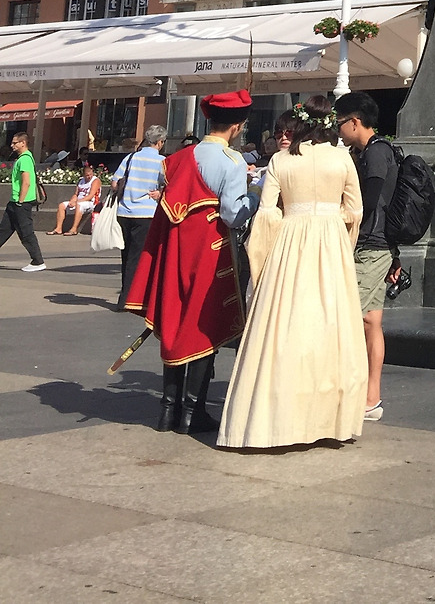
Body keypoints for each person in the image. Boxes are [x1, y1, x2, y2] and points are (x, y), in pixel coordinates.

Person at [217, 97, 365, 449]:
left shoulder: (281, 160)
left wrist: (262, 260)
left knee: (283, 324)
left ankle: (274, 420)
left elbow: (267, 214)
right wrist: (337, 232)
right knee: (331, 325)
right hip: (330, 243)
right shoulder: (342, 158)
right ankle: (328, 419)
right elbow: (355, 210)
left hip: (290, 241)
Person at [125, 90, 254, 432]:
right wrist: (253, 201)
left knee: (175, 319)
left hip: (176, 251)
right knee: (205, 325)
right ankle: (192, 414)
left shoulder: (177, 159)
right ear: (238, 126)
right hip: (211, 252)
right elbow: (232, 214)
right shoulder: (233, 162)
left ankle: (168, 411)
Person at [335, 91, 399, 422]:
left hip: (369, 245)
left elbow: (369, 201)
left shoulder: (375, 153)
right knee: (371, 320)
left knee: (352, 317)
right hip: (379, 244)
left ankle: (356, 392)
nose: (337, 130)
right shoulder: (375, 151)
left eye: (339, 123)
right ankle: (370, 398)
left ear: (355, 122)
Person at [113, 124, 167, 311]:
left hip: (124, 212)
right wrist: (158, 193)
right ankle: (131, 299)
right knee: (138, 257)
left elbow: (114, 183)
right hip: (146, 213)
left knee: (126, 255)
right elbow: (168, 184)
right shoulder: (162, 161)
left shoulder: (130, 158)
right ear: (159, 142)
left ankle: (125, 295)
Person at [0, 132, 46, 271]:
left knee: (26, 232)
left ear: (23, 143)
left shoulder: (25, 159)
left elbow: (26, 182)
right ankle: (37, 261)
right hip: (14, 202)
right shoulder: (23, 158)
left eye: (15, 143)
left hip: (22, 202)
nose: (12, 145)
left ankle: (38, 261)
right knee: (3, 230)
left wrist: (20, 201)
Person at [49, 160, 100, 236]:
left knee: (79, 205)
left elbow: (90, 196)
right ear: (83, 175)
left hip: (91, 203)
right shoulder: (81, 181)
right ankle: (58, 228)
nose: (89, 177)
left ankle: (74, 229)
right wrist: (72, 201)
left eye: (90, 174)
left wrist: (76, 202)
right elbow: (76, 194)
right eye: (87, 175)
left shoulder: (95, 181)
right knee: (62, 205)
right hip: (79, 201)